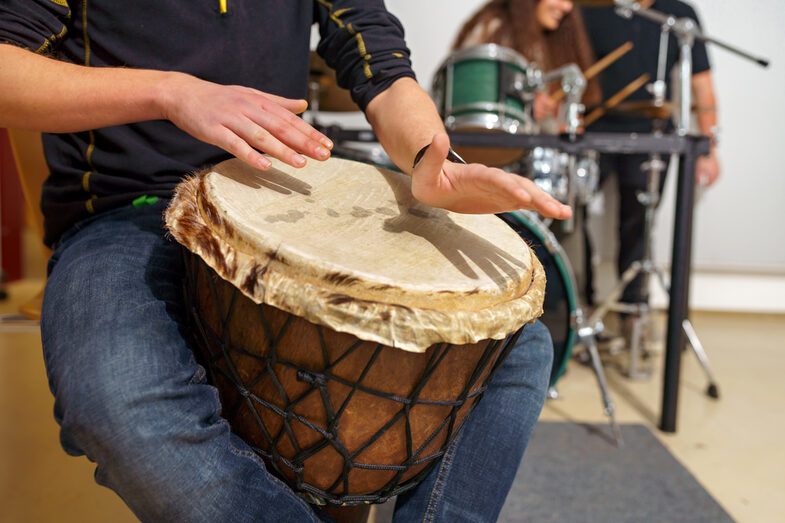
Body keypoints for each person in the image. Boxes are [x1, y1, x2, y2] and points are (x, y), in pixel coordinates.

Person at [0, 1, 572, 521]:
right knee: (116, 396)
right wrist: (171, 92)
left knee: (516, 346)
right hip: (131, 209)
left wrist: (429, 159)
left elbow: (378, 59)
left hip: (278, 199)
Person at [581, 0, 720, 341]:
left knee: (639, 221)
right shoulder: (589, 7)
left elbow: (701, 84)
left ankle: (634, 311)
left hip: (651, 134)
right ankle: (578, 308)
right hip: (593, 129)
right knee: (568, 212)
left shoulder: (679, 14)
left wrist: (710, 148)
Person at [452, 0, 602, 127]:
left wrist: (560, 120)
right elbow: (469, 94)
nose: (567, 7)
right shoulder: (494, 28)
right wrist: (524, 107)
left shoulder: (549, 42)